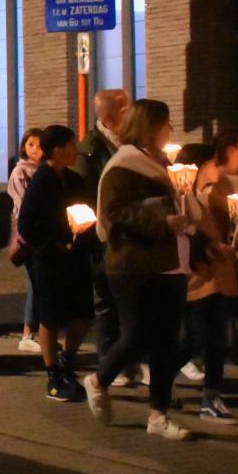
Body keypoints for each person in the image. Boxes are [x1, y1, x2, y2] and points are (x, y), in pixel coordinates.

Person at [84, 99, 197, 440]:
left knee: (165, 341)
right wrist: (161, 221)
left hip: (169, 262)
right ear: (150, 126)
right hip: (133, 263)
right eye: (166, 123)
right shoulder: (125, 164)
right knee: (137, 335)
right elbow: (116, 212)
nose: (170, 130)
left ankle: (158, 414)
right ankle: (99, 379)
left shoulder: (160, 162)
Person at [17, 125, 96, 402]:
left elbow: (86, 210)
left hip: (76, 258)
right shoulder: (41, 182)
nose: (76, 151)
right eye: (72, 146)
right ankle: (52, 375)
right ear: (58, 150)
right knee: (49, 315)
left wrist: (85, 233)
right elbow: (27, 223)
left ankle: (67, 362)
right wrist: (55, 244)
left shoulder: (74, 180)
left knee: (83, 313)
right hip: (50, 259)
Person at [177, 140, 238, 425]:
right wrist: (212, 248)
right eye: (215, 163)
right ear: (202, 166)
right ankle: (163, 375)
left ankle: (211, 396)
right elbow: (188, 234)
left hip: (216, 276)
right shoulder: (184, 197)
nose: (219, 168)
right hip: (200, 278)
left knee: (217, 338)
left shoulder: (209, 195)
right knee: (198, 337)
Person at [76, 88, 131, 365]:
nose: (131, 113)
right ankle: (109, 361)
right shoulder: (90, 152)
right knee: (107, 302)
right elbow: (84, 196)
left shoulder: (130, 144)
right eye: (126, 108)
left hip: (129, 234)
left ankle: (127, 359)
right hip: (104, 237)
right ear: (111, 116)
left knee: (128, 301)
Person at [7, 127, 47, 352]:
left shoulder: (44, 170)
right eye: (30, 144)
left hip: (43, 232)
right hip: (29, 230)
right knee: (34, 282)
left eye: (39, 145)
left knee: (42, 282)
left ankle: (41, 332)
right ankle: (27, 333)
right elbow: (23, 203)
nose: (34, 149)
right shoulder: (20, 172)